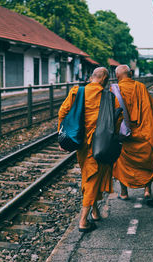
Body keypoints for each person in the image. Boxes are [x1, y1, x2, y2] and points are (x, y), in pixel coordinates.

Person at [58, 67, 113, 233]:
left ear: (92, 77)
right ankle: (83, 221)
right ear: (104, 79)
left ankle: (95, 212)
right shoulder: (108, 96)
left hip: (80, 142)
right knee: (92, 178)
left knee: (89, 175)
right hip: (99, 144)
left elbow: (62, 112)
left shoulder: (78, 91)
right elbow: (114, 121)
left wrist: (62, 137)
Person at [113, 65, 153, 205]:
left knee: (121, 163)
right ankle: (147, 190)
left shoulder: (115, 90)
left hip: (124, 137)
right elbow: (152, 113)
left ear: (117, 76)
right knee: (147, 162)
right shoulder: (140, 87)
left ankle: (124, 193)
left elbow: (113, 116)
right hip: (143, 133)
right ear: (130, 74)